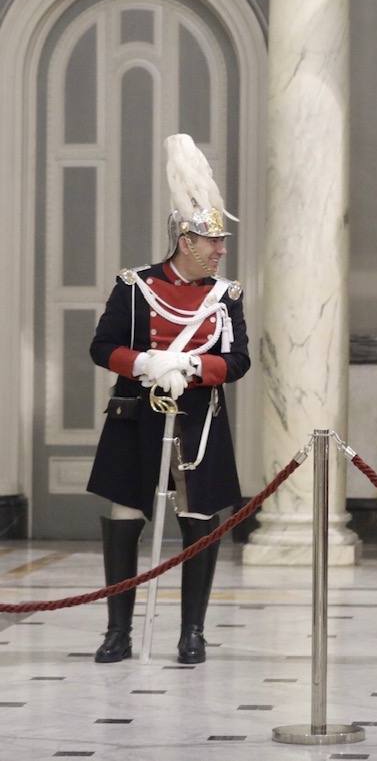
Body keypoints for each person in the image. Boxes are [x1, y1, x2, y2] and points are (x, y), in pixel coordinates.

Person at [86, 134, 250, 664]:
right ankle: (117, 631)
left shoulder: (226, 298)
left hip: (198, 422)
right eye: (213, 242)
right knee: (123, 518)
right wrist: (146, 363)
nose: (221, 251)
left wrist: (196, 367)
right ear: (185, 241)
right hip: (136, 419)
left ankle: (193, 632)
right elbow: (102, 346)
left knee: (199, 523)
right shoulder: (134, 286)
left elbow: (240, 360)